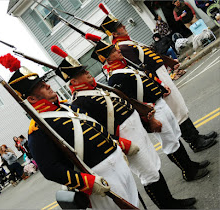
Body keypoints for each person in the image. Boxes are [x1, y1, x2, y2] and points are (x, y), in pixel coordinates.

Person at [51, 47, 197, 209]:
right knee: (148, 174)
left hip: (135, 130)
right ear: (74, 82)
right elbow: (96, 129)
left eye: (84, 70)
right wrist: (120, 143)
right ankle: (168, 206)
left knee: (153, 168)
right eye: (81, 73)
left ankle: (171, 202)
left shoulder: (96, 90)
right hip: (126, 138)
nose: (87, 73)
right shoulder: (79, 102)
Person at [0, 53, 140, 209]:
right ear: (31, 99)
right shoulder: (37, 130)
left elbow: (95, 128)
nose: (47, 85)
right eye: (40, 86)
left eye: (44, 82)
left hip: (119, 163)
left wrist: (121, 144)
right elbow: (50, 169)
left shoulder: (67, 106)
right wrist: (87, 182)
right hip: (99, 178)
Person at [86, 37, 211, 184]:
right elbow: (130, 102)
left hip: (160, 102)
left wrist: (159, 90)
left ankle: (190, 164)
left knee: (175, 136)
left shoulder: (125, 66)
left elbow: (146, 80)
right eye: (113, 51)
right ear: (107, 59)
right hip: (152, 111)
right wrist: (149, 119)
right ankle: (188, 171)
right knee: (170, 143)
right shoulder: (114, 78)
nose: (118, 50)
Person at [95, 7, 217, 153]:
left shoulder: (128, 42)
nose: (124, 27)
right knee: (176, 111)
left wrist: (169, 62)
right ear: (114, 33)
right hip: (157, 79)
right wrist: (159, 85)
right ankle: (195, 141)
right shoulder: (123, 47)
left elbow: (150, 55)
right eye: (120, 27)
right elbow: (141, 70)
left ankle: (196, 136)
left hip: (161, 74)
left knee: (179, 107)